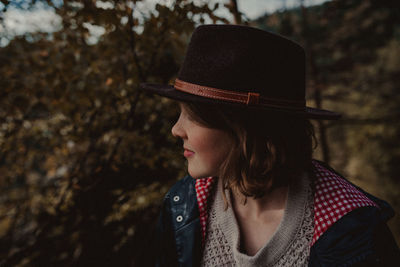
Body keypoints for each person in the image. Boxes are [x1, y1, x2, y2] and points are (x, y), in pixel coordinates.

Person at [140, 24, 400, 266]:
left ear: (245, 129)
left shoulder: (352, 230)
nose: (176, 129)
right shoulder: (182, 206)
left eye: (192, 116)